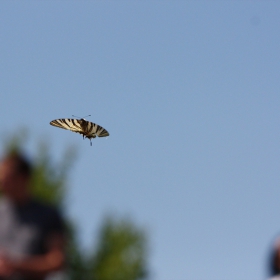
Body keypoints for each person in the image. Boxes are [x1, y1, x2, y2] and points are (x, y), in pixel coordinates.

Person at [0, 152, 66, 280]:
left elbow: (57, 261)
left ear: (23, 178)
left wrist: (16, 265)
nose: (3, 183)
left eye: (8, 178)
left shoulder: (47, 215)